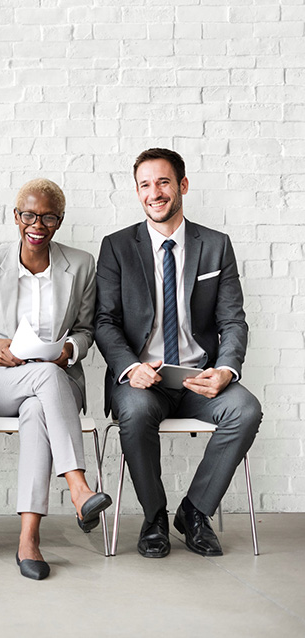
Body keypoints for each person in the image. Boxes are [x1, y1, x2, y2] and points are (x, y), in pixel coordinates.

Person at [95, 148, 262, 558]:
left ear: (182, 186)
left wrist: (226, 369)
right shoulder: (116, 247)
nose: (155, 193)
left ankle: (194, 512)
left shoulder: (215, 246)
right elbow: (104, 321)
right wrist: (130, 367)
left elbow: (233, 322)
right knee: (133, 412)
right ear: (137, 193)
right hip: (143, 381)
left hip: (197, 378)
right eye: (146, 185)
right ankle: (154, 516)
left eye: (163, 182)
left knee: (246, 410)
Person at [0, 178, 111, 580]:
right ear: (16, 217)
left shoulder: (80, 265)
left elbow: (85, 330)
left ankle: (28, 538)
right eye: (28, 214)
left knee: (36, 410)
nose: (37, 224)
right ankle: (79, 488)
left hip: (53, 386)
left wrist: (70, 350)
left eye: (48, 216)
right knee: (42, 379)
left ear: (59, 221)